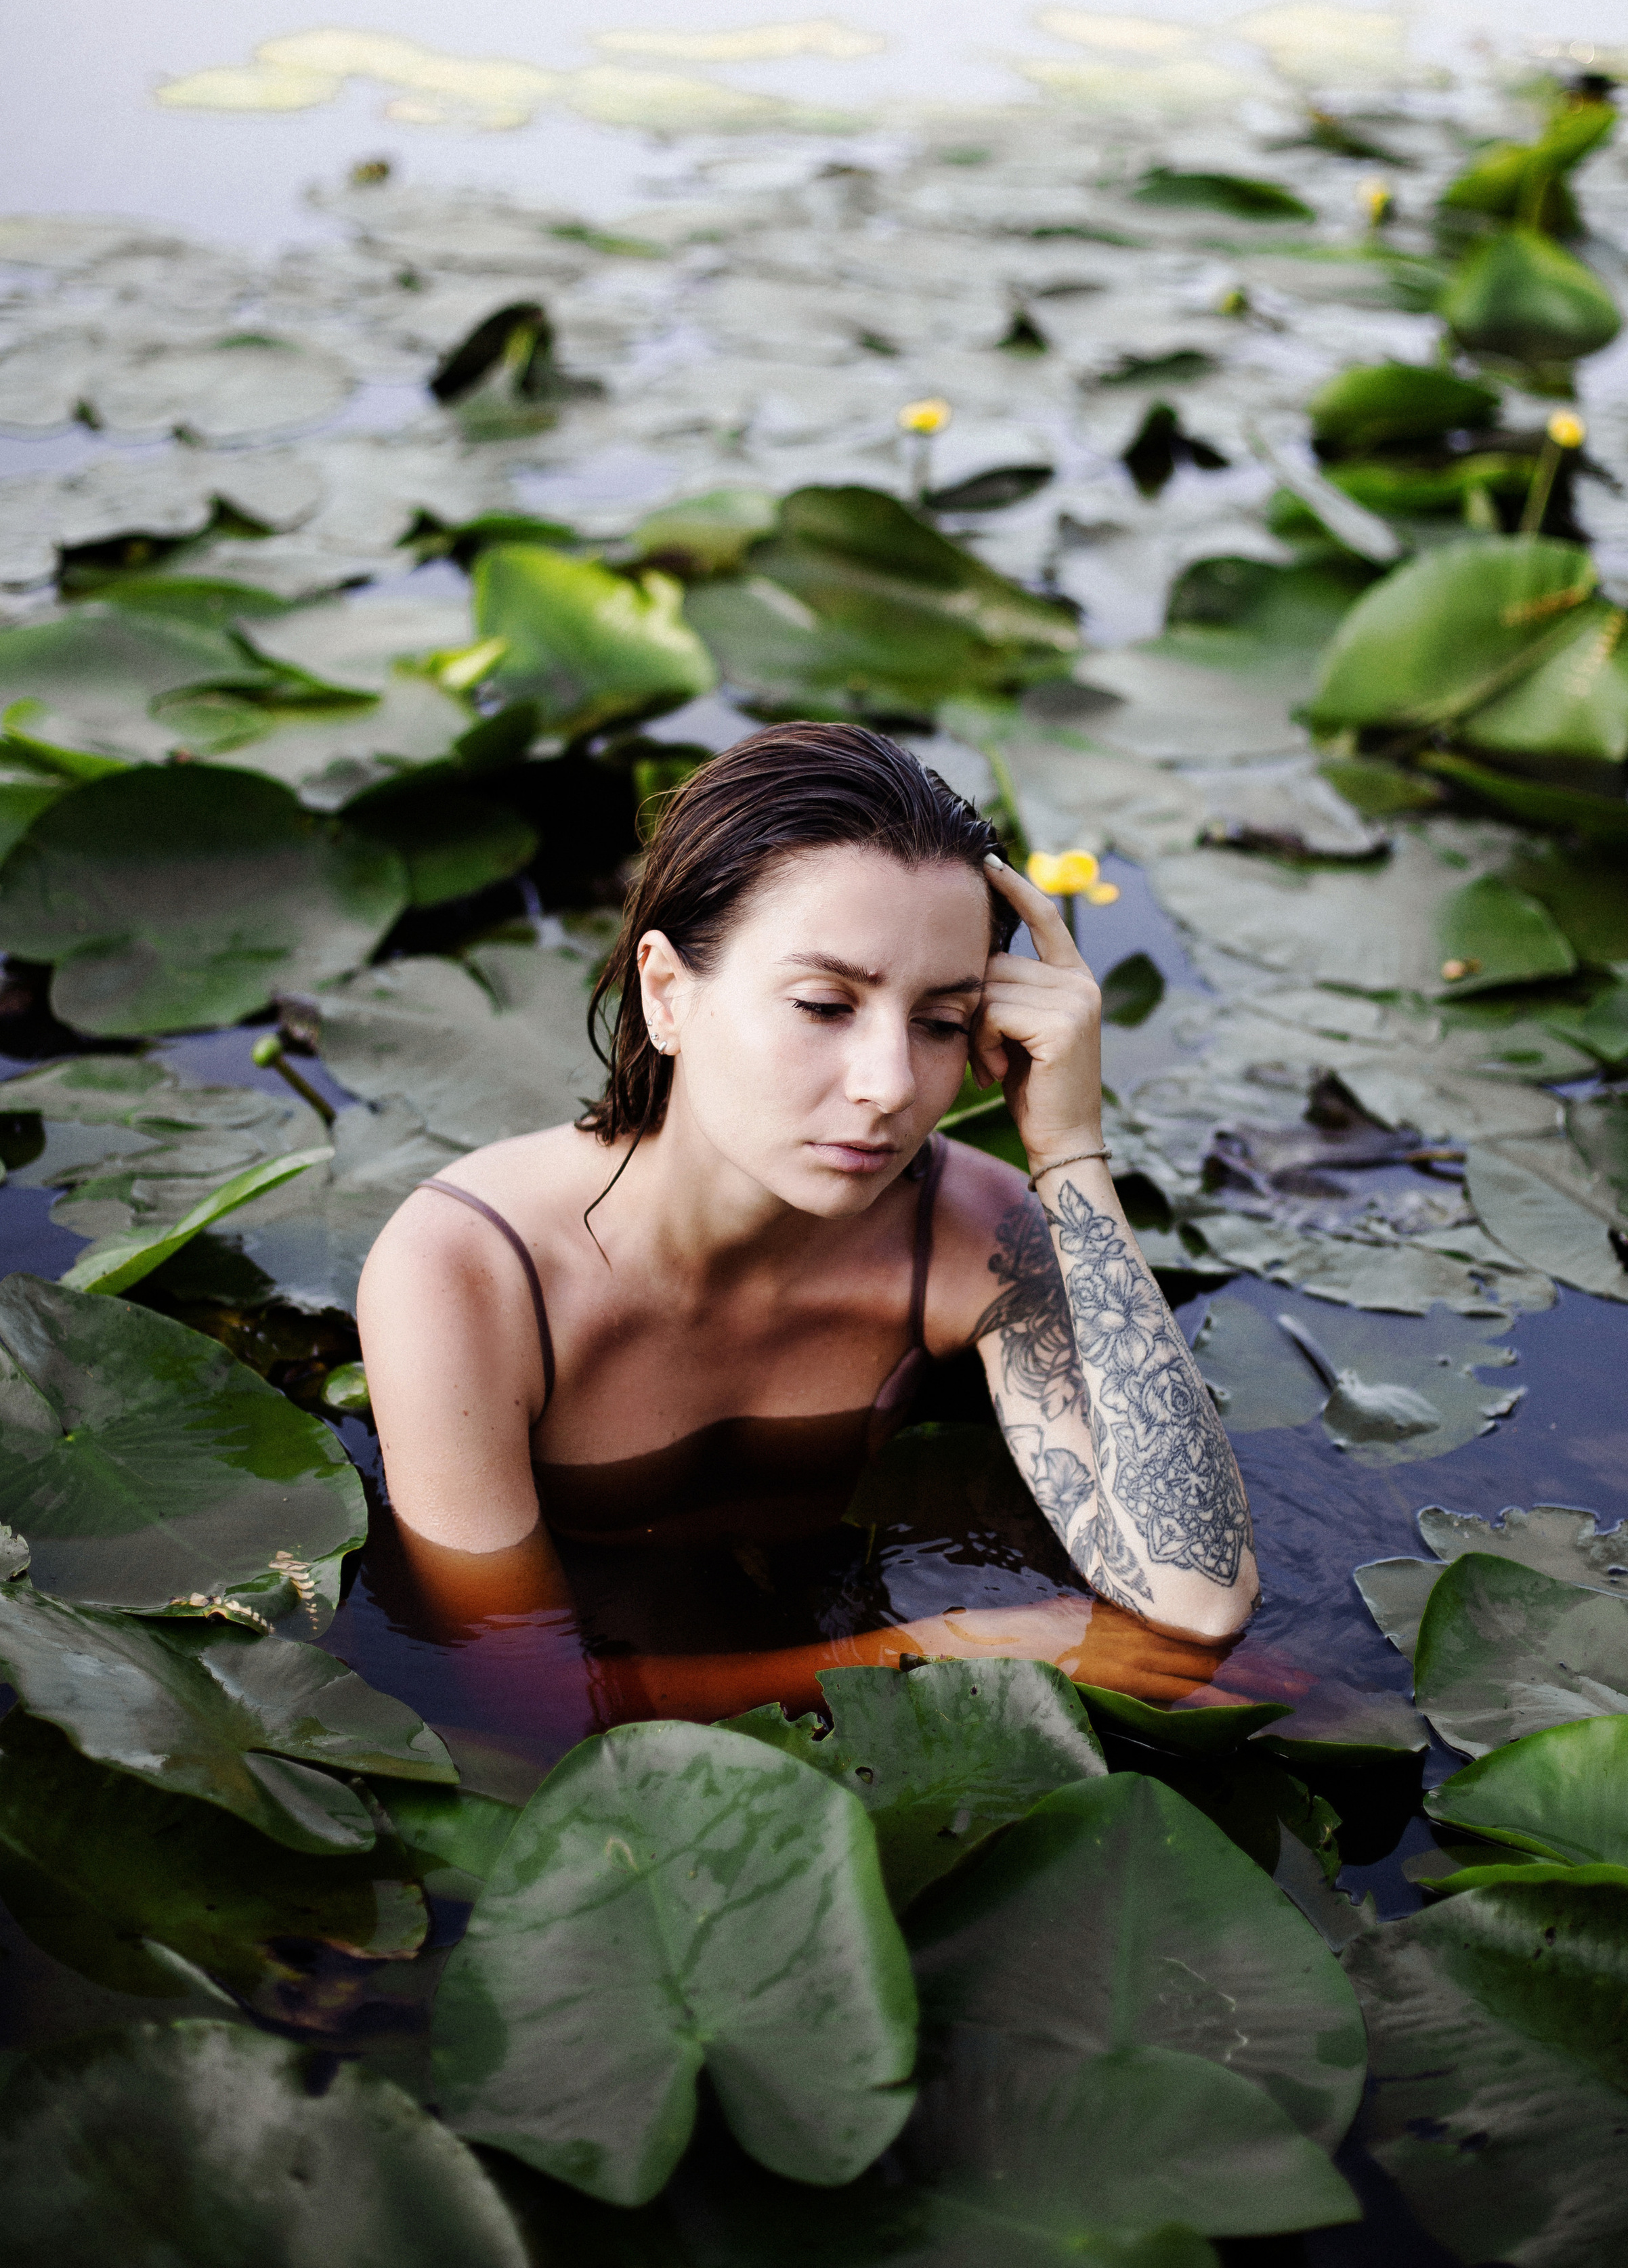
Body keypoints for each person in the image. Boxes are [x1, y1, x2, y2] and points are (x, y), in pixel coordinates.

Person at [358, 723, 1258, 1735]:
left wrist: (1069, 1157)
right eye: (826, 1005)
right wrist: (931, 1650)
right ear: (665, 991)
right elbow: (523, 1692)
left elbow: (1196, 1602)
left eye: (939, 1022)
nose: (887, 1088)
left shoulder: (970, 1238)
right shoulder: (466, 1276)